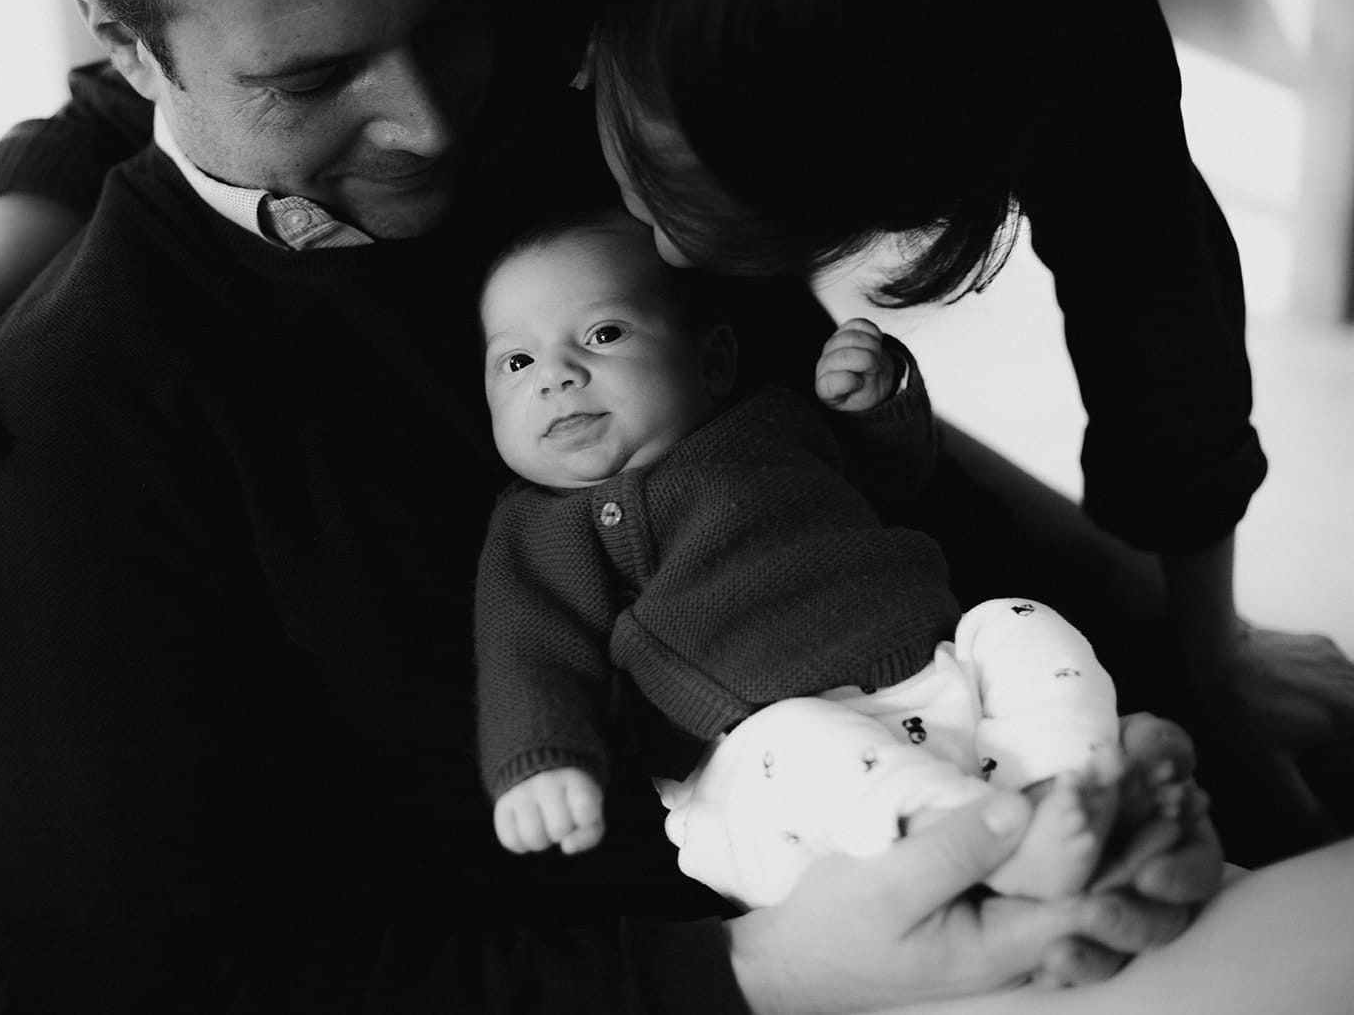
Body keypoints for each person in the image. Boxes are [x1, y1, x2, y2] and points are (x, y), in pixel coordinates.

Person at [0, 0, 1354, 1010]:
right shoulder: (65, 418)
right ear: (134, 55)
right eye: (310, 80)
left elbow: (1106, 293)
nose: (433, 121)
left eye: (445, 13)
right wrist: (758, 976)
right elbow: (146, 980)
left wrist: (1168, 678)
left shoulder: (597, 103)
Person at [576, 0, 1354, 863]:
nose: (662, 255)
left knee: (1286, 774)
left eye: (714, 232)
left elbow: (1155, 297)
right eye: (650, 192)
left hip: (823, 473)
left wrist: (1215, 650)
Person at [474, 209, 1141, 910]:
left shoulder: (777, 419)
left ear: (713, 360)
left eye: (602, 334)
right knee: (807, 746)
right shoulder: (542, 527)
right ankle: (986, 850)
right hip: (759, 770)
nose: (557, 376)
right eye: (516, 361)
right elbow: (528, 651)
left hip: (934, 677)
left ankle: (1074, 789)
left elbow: (891, 484)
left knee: (1018, 623)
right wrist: (541, 759)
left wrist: (874, 405)